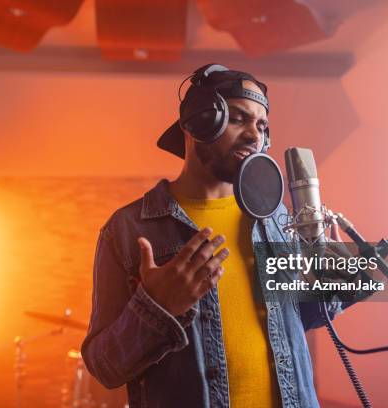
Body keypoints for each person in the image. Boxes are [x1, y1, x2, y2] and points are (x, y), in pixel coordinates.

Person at [81, 64, 367, 408]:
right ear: (198, 121)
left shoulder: (276, 217)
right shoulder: (128, 229)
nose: (254, 135)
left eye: (261, 125)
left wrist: (334, 287)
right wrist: (159, 309)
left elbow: (293, 323)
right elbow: (105, 367)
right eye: (238, 119)